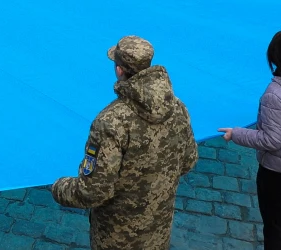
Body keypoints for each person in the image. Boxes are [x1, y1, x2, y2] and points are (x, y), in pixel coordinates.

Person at [51, 36, 198, 250]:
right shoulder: (177, 108)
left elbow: (94, 191)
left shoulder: (111, 122)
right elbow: (188, 161)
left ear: (119, 70)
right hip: (158, 231)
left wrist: (59, 188)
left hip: (116, 237)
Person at [218, 30, 281, 250]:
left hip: (278, 171)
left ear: (275, 58)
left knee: (274, 226)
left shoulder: (275, 94)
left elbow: (272, 140)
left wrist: (235, 134)